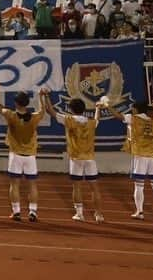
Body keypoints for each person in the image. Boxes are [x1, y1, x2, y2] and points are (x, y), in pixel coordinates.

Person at [40, 90, 104, 223]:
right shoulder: (91, 123)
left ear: (71, 109)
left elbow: (50, 111)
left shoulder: (68, 120)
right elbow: (97, 119)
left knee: (77, 187)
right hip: (90, 158)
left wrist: (46, 96)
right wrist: (98, 108)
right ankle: (98, 214)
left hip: (75, 158)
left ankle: (79, 213)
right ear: (84, 109)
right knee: (94, 187)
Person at [0, 83, 43, 221]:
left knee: (14, 184)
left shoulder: (11, 115)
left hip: (15, 155)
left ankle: (16, 211)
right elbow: (43, 111)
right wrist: (42, 97)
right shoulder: (34, 118)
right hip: (30, 155)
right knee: (32, 185)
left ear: (16, 103)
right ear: (27, 103)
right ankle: (33, 211)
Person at [106, 99, 153, 220]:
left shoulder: (133, 118)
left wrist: (108, 105)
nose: (132, 110)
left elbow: (117, 115)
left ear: (136, 109)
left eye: (133, 108)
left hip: (139, 156)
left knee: (139, 186)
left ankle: (140, 211)